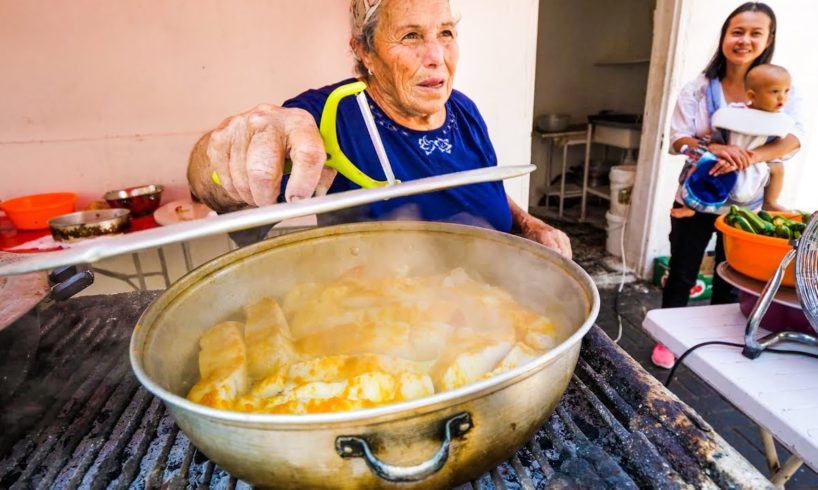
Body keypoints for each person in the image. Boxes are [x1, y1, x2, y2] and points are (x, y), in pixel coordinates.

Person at [187, 0, 572, 259]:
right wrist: (221, 154)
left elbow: (488, 188)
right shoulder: (328, 117)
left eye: (446, 34)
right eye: (411, 36)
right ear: (365, 52)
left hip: (496, 303)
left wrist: (529, 224)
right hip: (389, 333)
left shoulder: (464, 110)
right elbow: (210, 184)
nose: (436, 57)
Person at [653, 2, 805, 369]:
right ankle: (667, 339)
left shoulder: (781, 88)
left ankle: (719, 340)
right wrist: (716, 147)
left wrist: (748, 157)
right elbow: (677, 140)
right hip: (698, 194)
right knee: (684, 267)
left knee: (733, 273)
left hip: (746, 203)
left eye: (756, 33)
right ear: (724, 36)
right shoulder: (700, 89)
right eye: (737, 31)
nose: (744, 40)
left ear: (768, 39)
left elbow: (794, 138)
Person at [671, 63, 794, 219]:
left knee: (778, 167)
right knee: (698, 166)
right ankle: (689, 204)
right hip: (724, 155)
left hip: (758, 159)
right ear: (752, 96)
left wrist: (758, 157)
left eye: (786, 91)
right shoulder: (733, 112)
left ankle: (770, 201)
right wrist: (714, 149)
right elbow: (716, 135)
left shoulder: (781, 120)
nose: (782, 97)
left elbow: (781, 145)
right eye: (775, 92)